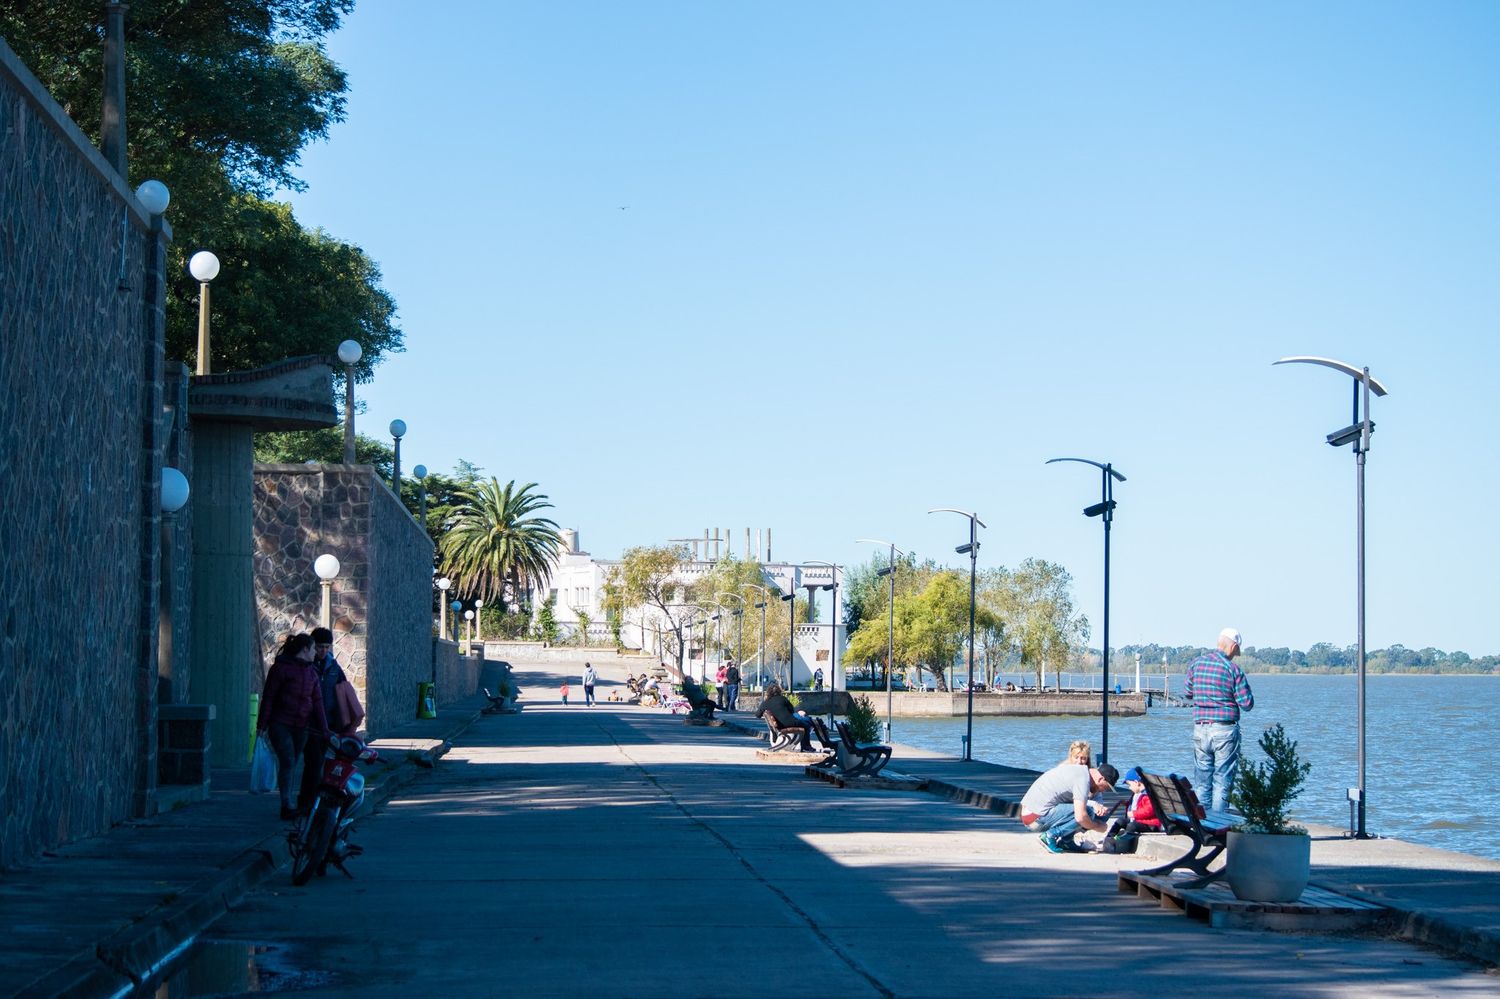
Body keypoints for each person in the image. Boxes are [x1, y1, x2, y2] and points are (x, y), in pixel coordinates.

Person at [256, 633, 330, 821]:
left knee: (292, 762)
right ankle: (286, 805)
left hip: (302, 727)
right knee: (288, 761)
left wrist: (325, 730)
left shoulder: (311, 673)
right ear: (305, 649)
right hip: (280, 724)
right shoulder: (280, 669)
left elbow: (318, 702)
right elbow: (269, 697)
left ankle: (288, 802)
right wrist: (262, 725)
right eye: (313, 648)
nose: (315, 653)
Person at [1184, 626, 1255, 812]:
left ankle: (1203, 824)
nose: (1235, 655)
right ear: (1232, 646)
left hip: (1200, 728)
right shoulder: (1232, 669)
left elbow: (1188, 693)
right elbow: (1247, 703)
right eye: (1236, 651)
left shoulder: (1196, 664)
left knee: (1201, 781)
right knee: (1222, 781)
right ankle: (1217, 824)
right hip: (1224, 729)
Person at [297, 627, 351, 814]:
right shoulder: (305, 666)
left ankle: (317, 803)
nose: (323, 651)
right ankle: (305, 803)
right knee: (312, 764)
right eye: (320, 647)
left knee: (323, 765)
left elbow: (343, 690)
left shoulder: (333, 667)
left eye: (327, 647)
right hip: (308, 724)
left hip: (328, 724)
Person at [1019, 760, 1120, 854]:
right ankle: (1049, 836)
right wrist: (1098, 827)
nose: (1103, 791)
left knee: (1092, 813)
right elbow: (1080, 817)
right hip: (1034, 818)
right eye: (1105, 787)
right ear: (1101, 779)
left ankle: (1066, 841)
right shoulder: (1083, 780)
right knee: (1087, 813)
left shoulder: (1080, 772)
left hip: (1030, 813)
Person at [1100, 767, 1162, 854]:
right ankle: (1110, 838)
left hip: (1150, 824)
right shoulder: (1137, 794)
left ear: (1137, 783)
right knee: (1120, 821)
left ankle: (1122, 843)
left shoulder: (1147, 795)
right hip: (1139, 820)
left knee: (1131, 826)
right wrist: (1126, 804)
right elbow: (1135, 805)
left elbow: (1149, 810)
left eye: (1129, 785)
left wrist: (1133, 814)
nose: (1129, 788)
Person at [755, 683, 812, 751]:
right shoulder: (783, 699)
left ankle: (804, 746)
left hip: (778, 726)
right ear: (779, 691)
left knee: (805, 720)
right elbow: (791, 711)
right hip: (789, 723)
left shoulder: (765, 703)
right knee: (806, 725)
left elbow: (757, 715)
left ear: (768, 693)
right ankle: (806, 746)